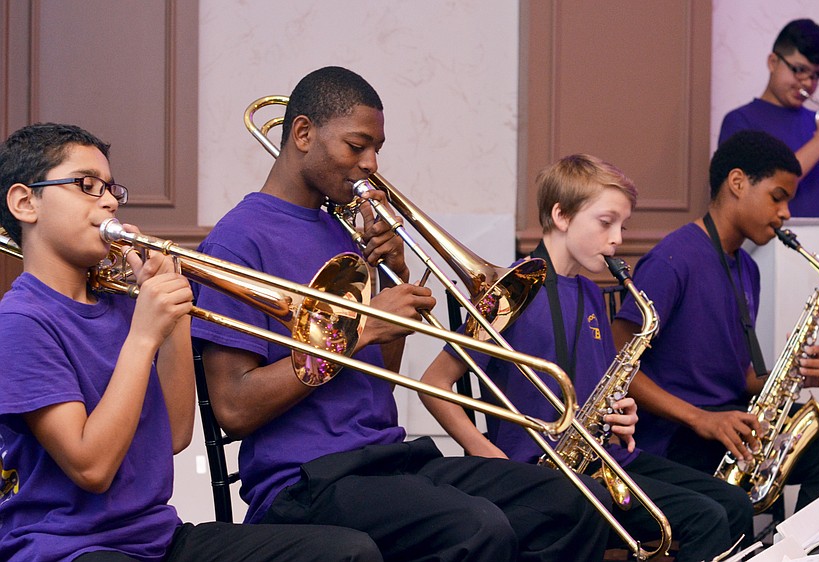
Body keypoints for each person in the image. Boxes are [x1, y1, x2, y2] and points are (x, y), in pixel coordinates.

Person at [191, 66, 612, 562]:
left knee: (579, 503)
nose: (371, 164)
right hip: (306, 479)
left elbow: (380, 380)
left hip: (389, 458)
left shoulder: (346, 233)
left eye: (377, 148)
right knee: (477, 528)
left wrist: (392, 278)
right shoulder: (237, 243)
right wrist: (360, 329)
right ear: (303, 133)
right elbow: (234, 409)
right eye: (357, 145)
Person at [0, 123, 382, 561]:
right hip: (67, 548)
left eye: (110, 188)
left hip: (157, 538)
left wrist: (176, 316)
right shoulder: (21, 321)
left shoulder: (122, 302)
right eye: (86, 185)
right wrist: (144, 335)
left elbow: (176, 434)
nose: (108, 201)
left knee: (348, 551)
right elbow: (92, 468)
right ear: (25, 202)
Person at [420, 154, 754, 562]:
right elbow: (434, 383)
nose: (617, 239)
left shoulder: (590, 293)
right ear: (561, 215)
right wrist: (489, 455)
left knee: (733, 504)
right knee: (705, 518)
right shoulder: (512, 292)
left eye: (622, 226)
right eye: (605, 222)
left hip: (603, 461)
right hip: (540, 472)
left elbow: (598, 388)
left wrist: (624, 412)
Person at [612, 130, 819, 513]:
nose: (786, 213)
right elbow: (615, 362)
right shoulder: (672, 260)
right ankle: (795, 544)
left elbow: (741, 378)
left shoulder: (747, 268)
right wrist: (701, 418)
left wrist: (790, 376)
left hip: (729, 417)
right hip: (677, 435)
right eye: (777, 197)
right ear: (737, 182)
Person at [718, 18, 819, 218]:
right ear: (773, 63)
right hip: (772, 238)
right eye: (799, 70)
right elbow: (762, 190)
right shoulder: (740, 121)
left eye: (816, 75)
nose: (808, 83)